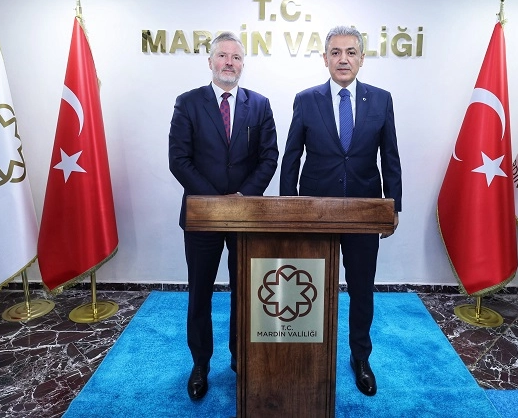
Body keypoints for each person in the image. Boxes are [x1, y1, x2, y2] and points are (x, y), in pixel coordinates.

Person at [279, 25, 401, 397]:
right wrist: (288, 207)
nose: (343, 59)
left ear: (361, 58)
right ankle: (307, 353)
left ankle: (360, 357)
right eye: (335, 52)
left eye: (350, 52)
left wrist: (392, 206)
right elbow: (291, 157)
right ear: (325, 59)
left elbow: (390, 156)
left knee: (361, 289)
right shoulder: (306, 100)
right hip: (314, 212)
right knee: (311, 287)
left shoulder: (381, 99)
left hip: (364, 212)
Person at [168, 31, 278, 401]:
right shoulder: (188, 102)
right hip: (202, 215)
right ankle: (200, 364)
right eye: (223, 56)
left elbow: (269, 157)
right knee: (199, 291)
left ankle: (240, 358)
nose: (229, 62)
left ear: (243, 63)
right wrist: (217, 201)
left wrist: (242, 197)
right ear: (210, 61)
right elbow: (178, 159)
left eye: (236, 57)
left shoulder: (259, 104)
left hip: (246, 215)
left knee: (244, 292)